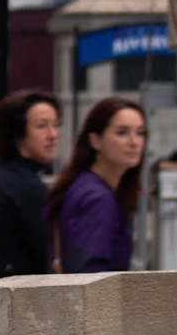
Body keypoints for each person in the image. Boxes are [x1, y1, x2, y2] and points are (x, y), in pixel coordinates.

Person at [45, 95, 147, 274]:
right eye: (122, 132)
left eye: (140, 133)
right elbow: (90, 272)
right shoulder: (96, 197)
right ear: (95, 140)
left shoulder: (90, 187)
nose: (134, 142)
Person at [0, 91, 60, 280]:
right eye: (42, 126)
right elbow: (46, 256)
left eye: (55, 125)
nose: (53, 135)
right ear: (18, 133)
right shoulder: (24, 186)